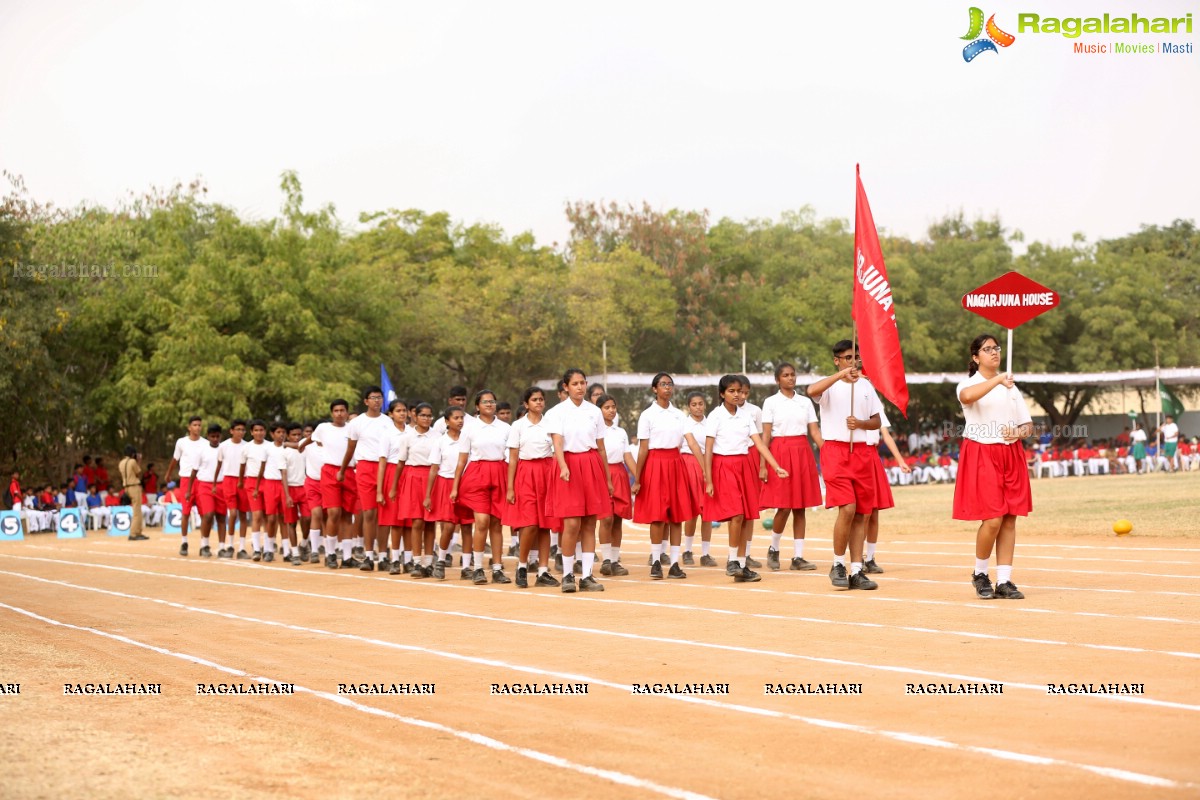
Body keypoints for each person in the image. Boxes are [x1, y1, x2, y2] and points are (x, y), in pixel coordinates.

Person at [954, 333, 1033, 600]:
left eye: (997, 348)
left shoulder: (1011, 388)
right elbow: (967, 397)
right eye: (987, 350)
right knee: (993, 519)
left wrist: (1019, 432)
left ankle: (1005, 580)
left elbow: (1028, 424)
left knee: (1010, 518)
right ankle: (979, 573)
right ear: (976, 358)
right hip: (982, 451)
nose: (995, 353)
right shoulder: (969, 384)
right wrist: (998, 379)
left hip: (1011, 452)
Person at [806, 340, 884, 591]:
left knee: (862, 512)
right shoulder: (829, 386)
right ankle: (837, 564)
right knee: (848, 508)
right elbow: (811, 390)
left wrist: (860, 424)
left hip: (861, 452)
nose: (853, 362)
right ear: (837, 360)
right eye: (848, 357)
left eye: (856, 357)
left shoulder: (866, 386)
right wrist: (840, 376)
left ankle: (857, 570)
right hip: (836, 451)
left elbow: (876, 420)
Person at [704, 374, 788, 584]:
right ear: (722, 394)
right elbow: (708, 449)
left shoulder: (745, 416)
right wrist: (709, 479)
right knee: (736, 514)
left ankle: (741, 565)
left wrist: (775, 466)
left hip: (744, 467)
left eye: (739, 391)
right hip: (724, 466)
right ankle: (732, 561)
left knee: (746, 517)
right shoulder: (715, 416)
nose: (736, 395)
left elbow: (759, 444)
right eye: (731, 391)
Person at [545, 368, 613, 593]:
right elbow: (557, 443)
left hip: (591, 465)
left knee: (589, 523)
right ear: (565, 387)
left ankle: (586, 576)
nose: (580, 387)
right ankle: (567, 575)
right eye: (575, 384)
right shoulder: (557, 412)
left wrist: (607, 477)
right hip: (569, 466)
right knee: (571, 523)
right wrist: (563, 466)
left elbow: (601, 447)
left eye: (583, 383)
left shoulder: (594, 412)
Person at [631, 374, 704, 580]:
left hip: (675, 463)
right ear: (655, 389)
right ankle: (656, 562)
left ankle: (674, 564)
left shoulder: (679, 415)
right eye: (663, 384)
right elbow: (643, 448)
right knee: (657, 516)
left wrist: (704, 468)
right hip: (655, 464)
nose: (667, 387)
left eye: (670, 384)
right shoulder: (647, 415)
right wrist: (638, 478)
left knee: (676, 516)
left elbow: (691, 443)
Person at [759, 363, 823, 571]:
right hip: (780, 451)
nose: (790, 378)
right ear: (778, 380)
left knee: (800, 507)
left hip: (802, 450)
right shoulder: (770, 402)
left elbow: (814, 432)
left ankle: (798, 557)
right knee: (784, 505)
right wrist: (764, 465)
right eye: (785, 375)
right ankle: (774, 549)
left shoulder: (805, 402)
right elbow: (766, 436)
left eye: (792, 375)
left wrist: (828, 452)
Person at [451, 390, 513, 585]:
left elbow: (512, 456)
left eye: (492, 401)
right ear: (477, 406)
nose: (489, 404)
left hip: (499, 472)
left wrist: (512, 484)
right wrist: (455, 486)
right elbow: (461, 460)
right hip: (477, 474)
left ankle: (496, 568)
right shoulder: (469, 428)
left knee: (496, 523)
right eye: (485, 402)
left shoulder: (505, 428)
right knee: (482, 521)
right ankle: (477, 568)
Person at [504, 387, 561, 588]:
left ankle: (543, 571)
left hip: (547, 473)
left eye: (541, 399)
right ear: (526, 404)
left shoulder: (551, 424)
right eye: (534, 399)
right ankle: (522, 565)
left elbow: (557, 452)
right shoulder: (518, 426)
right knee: (529, 524)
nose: (539, 402)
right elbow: (512, 458)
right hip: (526, 473)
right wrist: (510, 487)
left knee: (545, 524)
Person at [302, 399, 357, 568]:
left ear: (347, 412)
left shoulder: (353, 428)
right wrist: (301, 446)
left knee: (348, 514)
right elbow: (311, 439)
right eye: (336, 410)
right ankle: (330, 554)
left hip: (349, 471)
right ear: (332, 413)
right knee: (334, 512)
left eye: (342, 410)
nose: (339, 413)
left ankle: (347, 557)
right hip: (330, 472)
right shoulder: (323, 428)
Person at [427, 407, 476, 579]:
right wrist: (428, 495)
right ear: (447, 421)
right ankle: (440, 561)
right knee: (448, 526)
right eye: (456, 418)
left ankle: (466, 567)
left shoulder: (468, 439)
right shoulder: (440, 442)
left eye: (462, 418)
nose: (460, 421)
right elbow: (433, 469)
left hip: (466, 485)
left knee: (467, 526)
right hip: (445, 484)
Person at [597, 394, 638, 577]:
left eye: (613, 407)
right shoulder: (594, 432)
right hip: (601, 474)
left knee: (618, 518)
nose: (611, 410)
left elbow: (627, 456)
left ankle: (614, 561)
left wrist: (639, 478)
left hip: (619, 474)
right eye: (607, 407)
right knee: (606, 518)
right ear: (599, 410)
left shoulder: (620, 432)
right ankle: (606, 560)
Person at [679, 392, 716, 566]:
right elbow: (689, 445)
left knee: (708, 510)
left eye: (701, 403)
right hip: (690, 464)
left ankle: (706, 553)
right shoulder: (685, 423)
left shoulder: (711, 423)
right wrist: (703, 469)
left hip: (708, 462)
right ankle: (687, 550)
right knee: (692, 510)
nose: (698, 407)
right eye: (694, 404)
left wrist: (709, 470)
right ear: (688, 407)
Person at [165, 416, 210, 557]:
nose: (197, 427)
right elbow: (175, 459)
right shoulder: (181, 442)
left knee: (204, 514)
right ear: (189, 427)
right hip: (185, 479)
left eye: (199, 425)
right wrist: (168, 473)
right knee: (185, 512)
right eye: (194, 425)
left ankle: (204, 544)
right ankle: (184, 542)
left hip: (201, 479)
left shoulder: (206, 443)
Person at [185, 424, 224, 557]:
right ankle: (204, 545)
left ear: (220, 436)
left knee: (221, 517)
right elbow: (194, 471)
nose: (215, 439)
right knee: (208, 515)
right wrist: (189, 490)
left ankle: (222, 547)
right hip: (205, 485)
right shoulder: (202, 450)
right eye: (212, 436)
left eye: (217, 436)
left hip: (221, 485)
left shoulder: (224, 449)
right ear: (208, 436)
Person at [118, 446, 148, 541]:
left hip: (126, 487)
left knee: (136, 510)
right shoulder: (132, 462)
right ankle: (134, 533)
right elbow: (138, 472)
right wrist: (138, 461)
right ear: (133, 454)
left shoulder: (121, 463)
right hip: (134, 486)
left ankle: (138, 531)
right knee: (137, 511)